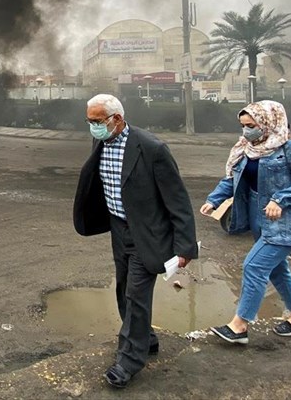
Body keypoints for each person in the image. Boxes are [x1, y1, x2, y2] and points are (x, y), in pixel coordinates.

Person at [73, 94, 198, 389]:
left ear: (116, 119)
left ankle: (129, 360)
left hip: (147, 233)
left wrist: (185, 247)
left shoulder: (152, 148)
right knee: (122, 287)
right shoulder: (101, 141)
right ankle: (147, 338)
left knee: (136, 295)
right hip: (119, 229)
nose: (92, 127)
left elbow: (178, 200)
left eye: (96, 122)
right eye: (88, 121)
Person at [201, 100, 291, 345]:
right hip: (257, 217)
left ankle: (239, 325)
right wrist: (214, 200)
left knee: (254, 267)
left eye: (251, 125)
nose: (246, 131)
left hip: (284, 221)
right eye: (243, 125)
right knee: (277, 269)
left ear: (268, 123)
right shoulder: (246, 148)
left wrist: (281, 199)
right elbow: (232, 179)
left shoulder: (290, 149)